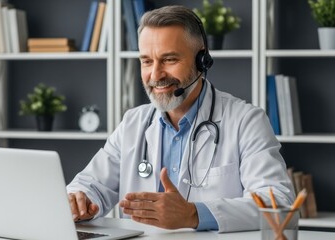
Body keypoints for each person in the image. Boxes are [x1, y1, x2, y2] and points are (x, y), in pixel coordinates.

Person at [67, 5, 295, 233]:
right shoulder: (133, 122)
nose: (155, 75)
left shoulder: (246, 121)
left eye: (169, 59)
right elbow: (90, 184)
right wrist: (79, 199)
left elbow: (278, 202)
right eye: (147, 61)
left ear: (202, 60)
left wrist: (194, 214)